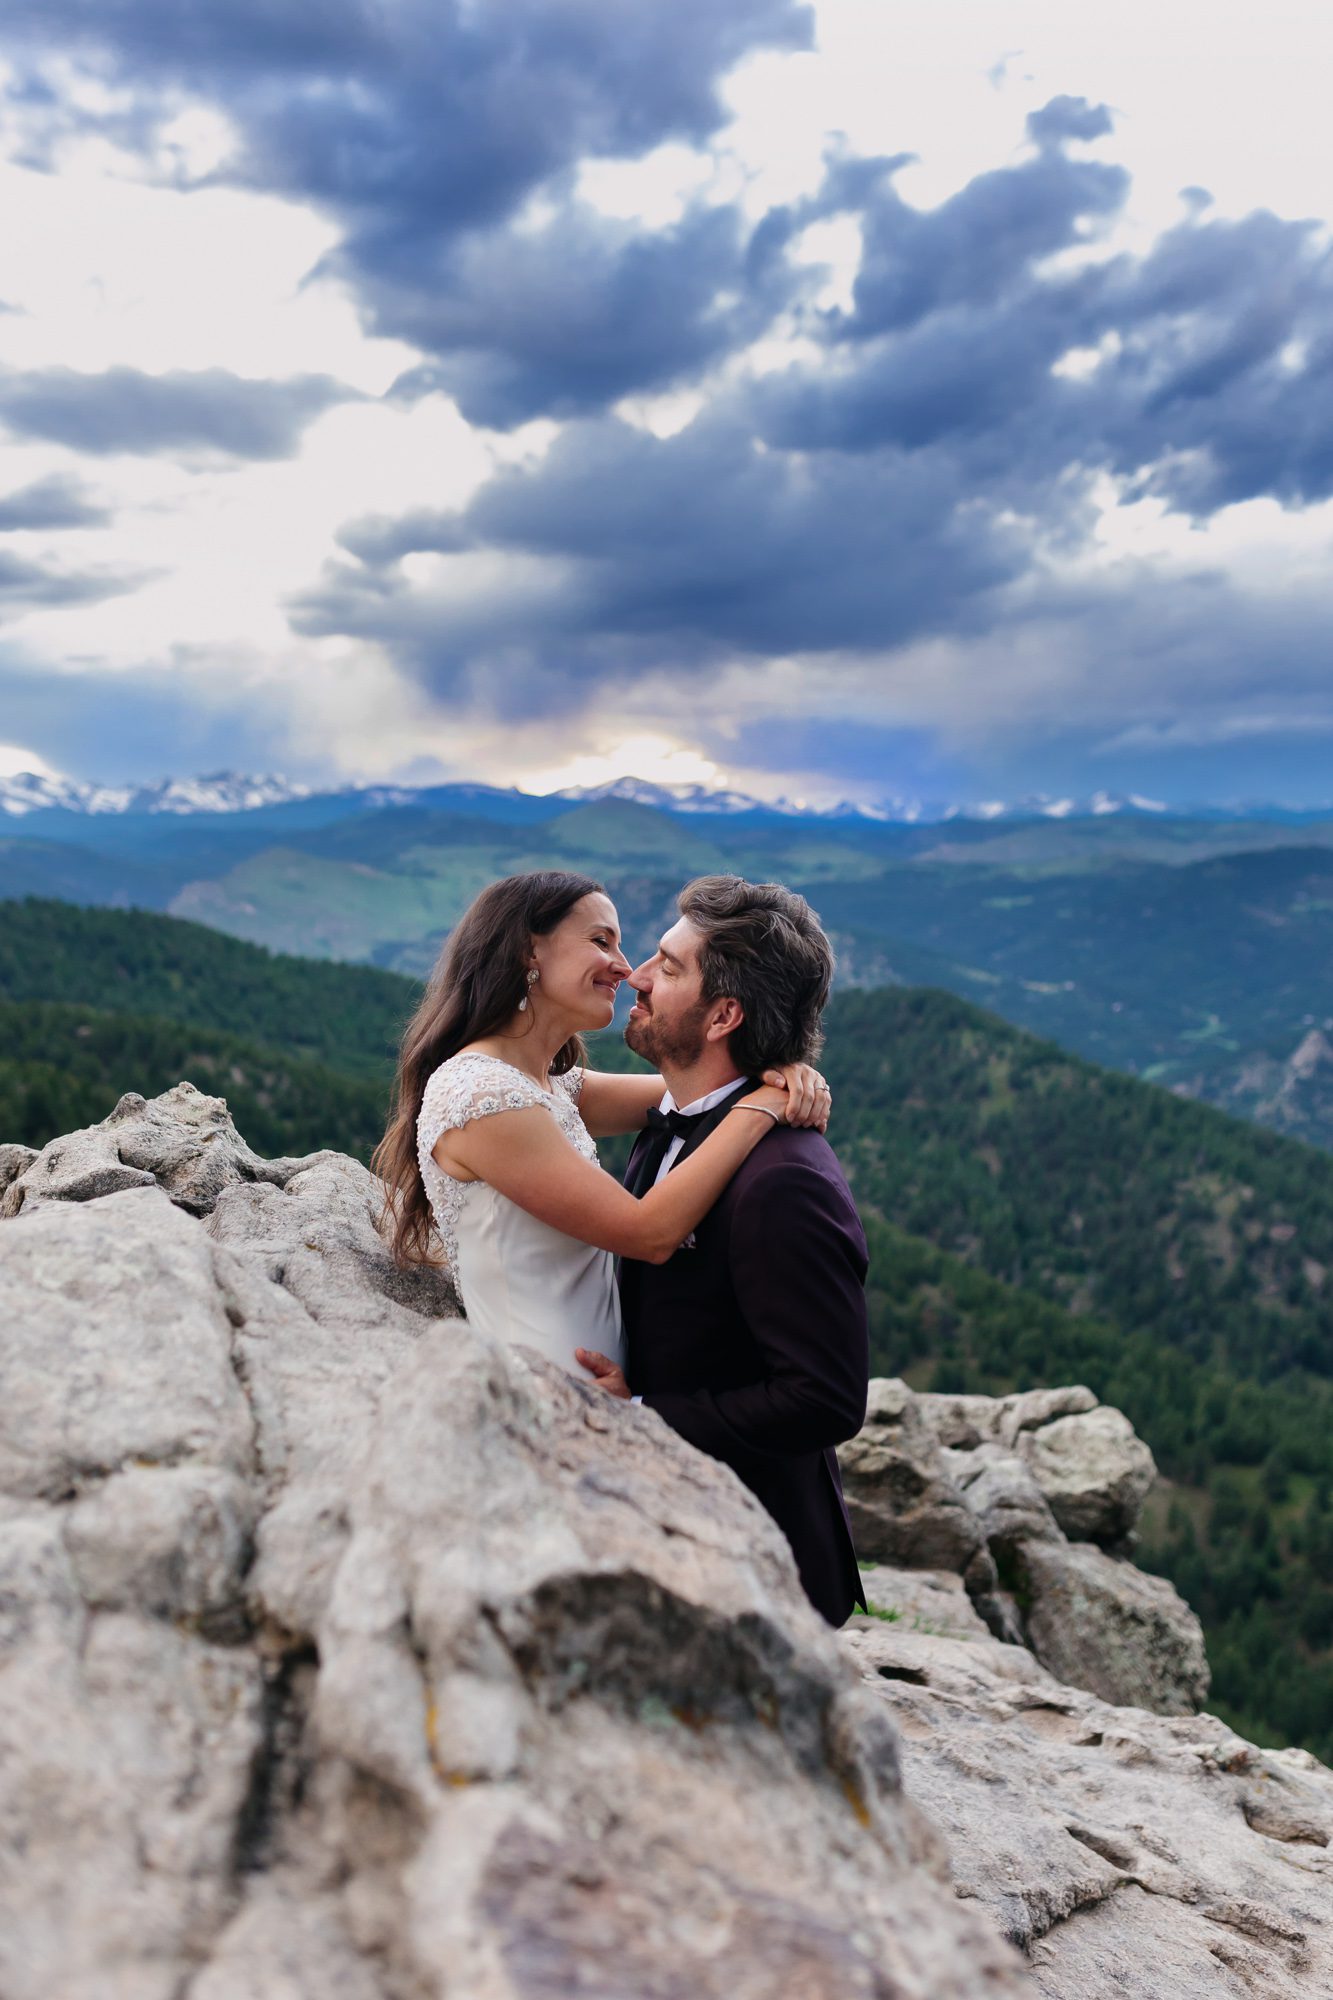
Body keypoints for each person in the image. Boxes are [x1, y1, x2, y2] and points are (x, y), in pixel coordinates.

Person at [372, 871, 831, 1382]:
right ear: (530, 952)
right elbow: (650, 1232)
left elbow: (699, 1090)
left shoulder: (545, 1086)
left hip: (594, 1389)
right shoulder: (483, 1099)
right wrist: (762, 1106)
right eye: (600, 941)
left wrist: (777, 1069)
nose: (626, 968)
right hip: (541, 1391)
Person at [576, 876, 870, 1627]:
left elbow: (824, 1399)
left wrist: (641, 1412)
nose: (636, 976)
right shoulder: (675, 1115)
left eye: (669, 968)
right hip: (667, 1531)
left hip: (757, 1570)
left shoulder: (784, 1183)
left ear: (724, 1015)